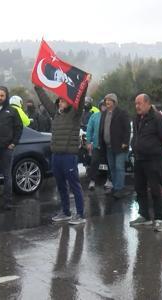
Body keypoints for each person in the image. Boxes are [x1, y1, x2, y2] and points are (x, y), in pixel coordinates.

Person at [34, 85, 87, 225]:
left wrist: (84, 86)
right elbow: (45, 101)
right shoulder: (56, 114)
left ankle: (80, 214)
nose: (60, 103)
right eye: (59, 101)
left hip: (69, 156)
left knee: (74, 185)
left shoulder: (75, 114)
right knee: (61, 185)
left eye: (63, 101)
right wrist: (37, 87)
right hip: (56, 155)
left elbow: (80, 102)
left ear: (70, 102)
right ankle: (66, 212)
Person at [129, 94, 162, 232]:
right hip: (139, 158)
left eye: (139, 103)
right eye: (136, 104)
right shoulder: (137, 119)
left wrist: (156, 150)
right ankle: (144, 216)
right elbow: (136, 136)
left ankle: (159, 219)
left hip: (153, 159)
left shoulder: (157, 118)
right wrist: (134, 146)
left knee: (155, 189)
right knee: (139, 188)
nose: (137, 106)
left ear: (147, 103)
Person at [99, 93, 130, 199]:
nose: (107, 102)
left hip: (119, 146)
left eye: (109, 100)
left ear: (114, 102)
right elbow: (101, 129)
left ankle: (119, 189)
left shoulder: (121, 113)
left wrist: (125, 142)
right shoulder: (104, 113)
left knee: (119, 167)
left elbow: (127, 129)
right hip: (108, 146)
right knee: (112, 168)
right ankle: (116, 187)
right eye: (106, 100)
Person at [86, 99, 112, 191]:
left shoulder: (111, 115)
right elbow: (89, 129)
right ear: (100, 106)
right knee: (94, 162)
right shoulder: (94, 116)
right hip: (97, 144)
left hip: (108, 145)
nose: (104, 107)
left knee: (110, 163)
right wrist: (88, 142)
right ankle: (92, 181)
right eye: (102, 105)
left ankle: (109, 180)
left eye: (106, 105)